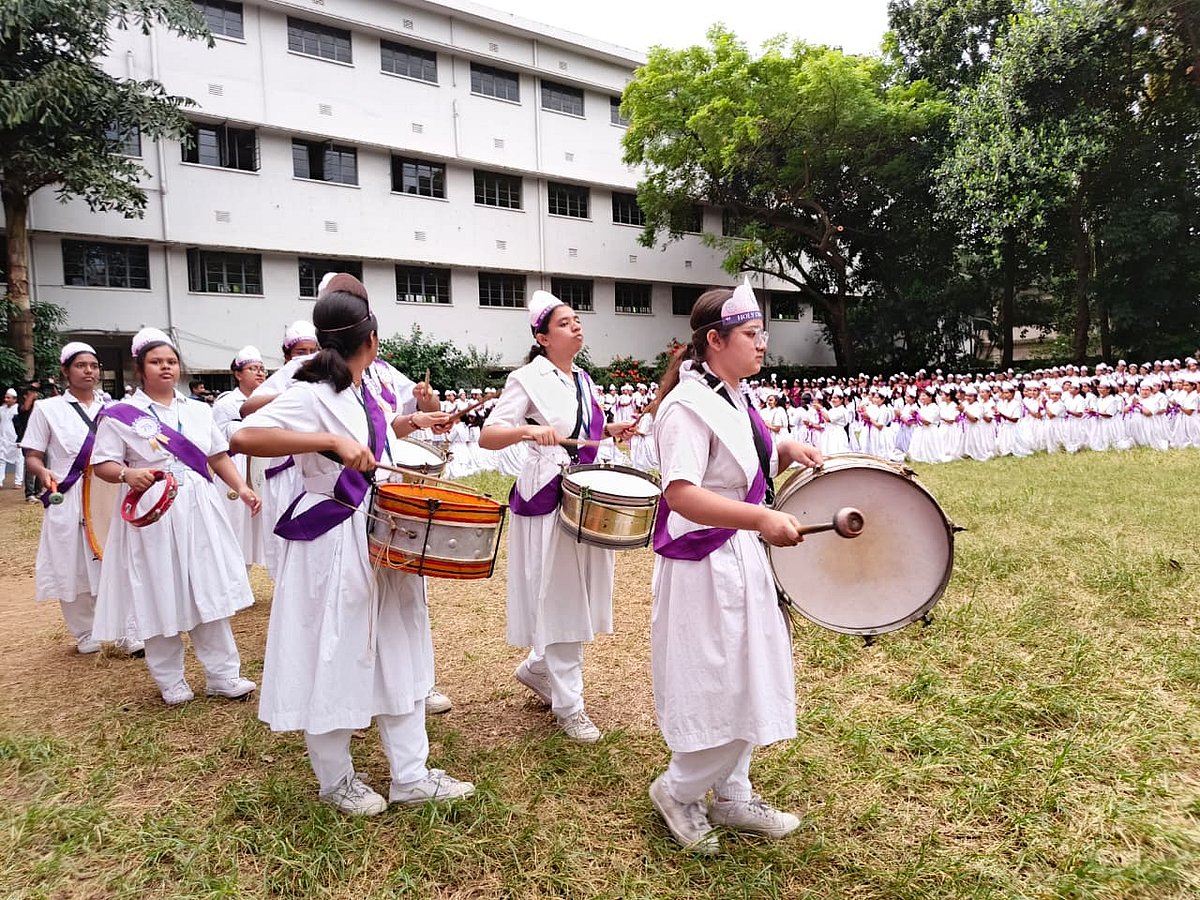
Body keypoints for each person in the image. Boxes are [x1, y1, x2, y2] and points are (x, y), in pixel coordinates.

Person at [233, 274, 475, 815]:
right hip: (332, 539)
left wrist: (408, 421)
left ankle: (411, 774)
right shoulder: (310, 391)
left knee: (400, 644)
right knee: (335, 648)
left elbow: (373, 431)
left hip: (381, 531)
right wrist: (327, 441)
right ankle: (335, 777)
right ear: (372, 338)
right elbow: (243, 436)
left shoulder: (363, 387)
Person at [646, 281, 822, 854]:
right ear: (715, 340)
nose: (762, 344)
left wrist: (786, 448)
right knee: (720, 681)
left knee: (751, 672)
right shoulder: (685, 406)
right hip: (707, 561)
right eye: (751, 334)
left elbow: (742, 457)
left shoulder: (730, 393)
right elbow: (681, 494)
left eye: (762, 333)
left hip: (740, 553)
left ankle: (733, 792)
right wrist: (760, 518)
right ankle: (678, 790)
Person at [479, 290, 639, 743]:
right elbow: (490, 436)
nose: (577, 326)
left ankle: (537, 667)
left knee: (578, 590)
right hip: (547, 497)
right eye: (566, 323)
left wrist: (609, 430)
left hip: (584, 491)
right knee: (563, 595)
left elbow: (579, 434)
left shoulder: (584, 379)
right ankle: (570, 705)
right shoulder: (526, 378)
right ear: (542, 336)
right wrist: (527, 429)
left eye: (576, 320)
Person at [90, 328, 260, 705]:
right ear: (140, 368)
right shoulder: (120, 415)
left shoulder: (198, 411)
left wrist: (243, 488)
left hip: (199, 504)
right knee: (157, 589)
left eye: (170, 361)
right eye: (156, 362)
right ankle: (170, 679)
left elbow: (217, 456)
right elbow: (102, 462)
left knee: (207, 586)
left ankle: (223, 675)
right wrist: (127, 474)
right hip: (153, 508)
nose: (165, 367)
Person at [20, 342, 142, 655]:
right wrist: (45, 473)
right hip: (69, 492)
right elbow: (32, 454)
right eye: (80, 365)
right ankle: (86, 631)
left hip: (108, 491)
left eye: (93, 365)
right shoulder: (48, 409)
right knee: (71, 561)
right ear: (66, 371)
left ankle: (128, 631)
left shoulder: (114, 408)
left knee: (116, 558)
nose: (89, 371)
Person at [212, 346, 269, 570]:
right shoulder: (226, 403)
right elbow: (218, 442)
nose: (259, 373)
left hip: (259, 466)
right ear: (238, 374)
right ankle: (234, 582)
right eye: (252, 368)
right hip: (233, 465)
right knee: (235, 526)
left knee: (256, 528)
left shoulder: (267, 401)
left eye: (262, 369)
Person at [0, 387, 21, 488]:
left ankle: (18, 482)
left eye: (8, 398)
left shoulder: (18, 409)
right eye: (5, 397)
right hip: (3, 439)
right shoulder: (2, 409)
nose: (6, 399)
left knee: (19, 460)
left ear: (14, 399)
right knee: (1, 459)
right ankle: (0, 480)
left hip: (15, 439)